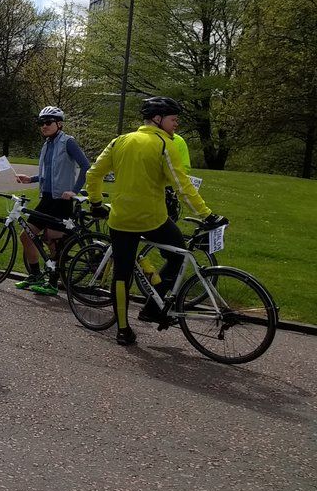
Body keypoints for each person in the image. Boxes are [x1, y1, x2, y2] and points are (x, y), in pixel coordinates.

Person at [84, 97, 225, 347]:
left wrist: (95, 203)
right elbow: (182, 186)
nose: (176, 126)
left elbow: (94, 173)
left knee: (122, 273)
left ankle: (123, 331)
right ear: (158, 119)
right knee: (178, 257)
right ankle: (152, 307)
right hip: (153, 219)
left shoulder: (119, 141)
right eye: (173, 120)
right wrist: (207, 215)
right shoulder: (164, 144)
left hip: (121, 220)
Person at [13, 107, 92, 295]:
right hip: (47, 198)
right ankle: (35, 275)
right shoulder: (47, 144)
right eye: (41, 123)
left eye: (48, 122)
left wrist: (73, 191)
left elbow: (86, 166)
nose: (44, 126)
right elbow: (49, 174)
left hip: (61, 200)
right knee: (26, 236)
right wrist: (30, 179)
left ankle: (53, 283)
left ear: (59, 123)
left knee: (52, 242)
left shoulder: (68, 142)